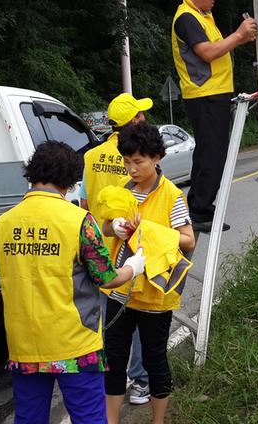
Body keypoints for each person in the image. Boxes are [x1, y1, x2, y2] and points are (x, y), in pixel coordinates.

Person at [0, 141, 145, 424]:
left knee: (29, 419)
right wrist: (133, 267)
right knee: (88, 419)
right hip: (75, 347)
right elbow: (106, 278)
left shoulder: (4, 223)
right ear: (70, 180)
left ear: (33, 173)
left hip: (25, 346)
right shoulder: (79, 221)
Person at [103, 123, 195, 424]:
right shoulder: (122, 191)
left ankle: (158, 421)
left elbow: (188, 239)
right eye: (127, 162)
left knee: (155, 360)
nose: (132, 169)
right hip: (120, 290)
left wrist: (148, 231)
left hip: (155, 292)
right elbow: (103, 227)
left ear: (156, 157)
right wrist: (113, 226)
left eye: (138, 162)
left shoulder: (171, 196)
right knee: (113, 360)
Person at [171, 0, 257, 232]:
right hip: (204, 95)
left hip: (213, 94)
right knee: (212, 154)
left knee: (209, 152)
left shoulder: (202, 16)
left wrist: (239, 39)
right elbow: (207, 52)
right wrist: (239, 36)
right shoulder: (187, 17)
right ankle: (200, 212)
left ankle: (198, 208)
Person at [80, 92, 154, 405]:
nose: (144, 118)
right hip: (128, 247)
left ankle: (108, 378)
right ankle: (139, 382)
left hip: (95, 247)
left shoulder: (91, 157)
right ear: (132, 121)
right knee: (133, 315)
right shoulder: (136, 156)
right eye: (140, 114)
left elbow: (83, 205)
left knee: (100, 320)